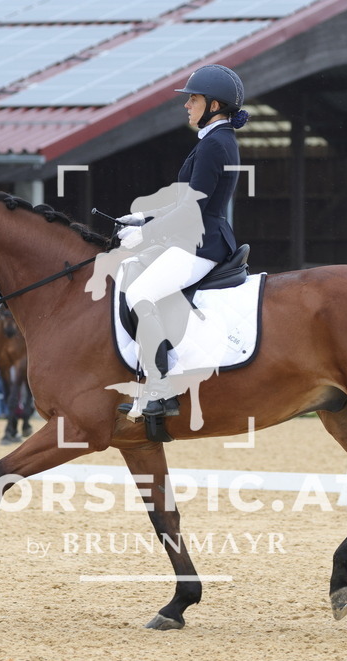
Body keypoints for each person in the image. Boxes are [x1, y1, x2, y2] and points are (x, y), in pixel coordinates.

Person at [114, 64, 249, 419]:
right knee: (128, 271)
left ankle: (160, 389)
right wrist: (144, 217)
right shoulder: (214, 142)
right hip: (193, 238)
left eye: (193, 99)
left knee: (140, 294)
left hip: (201, 244)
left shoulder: (215, 146)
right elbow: (182, 201)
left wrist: (144, 235)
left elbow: (193, 208)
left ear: (214, 105)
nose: (186, 105)